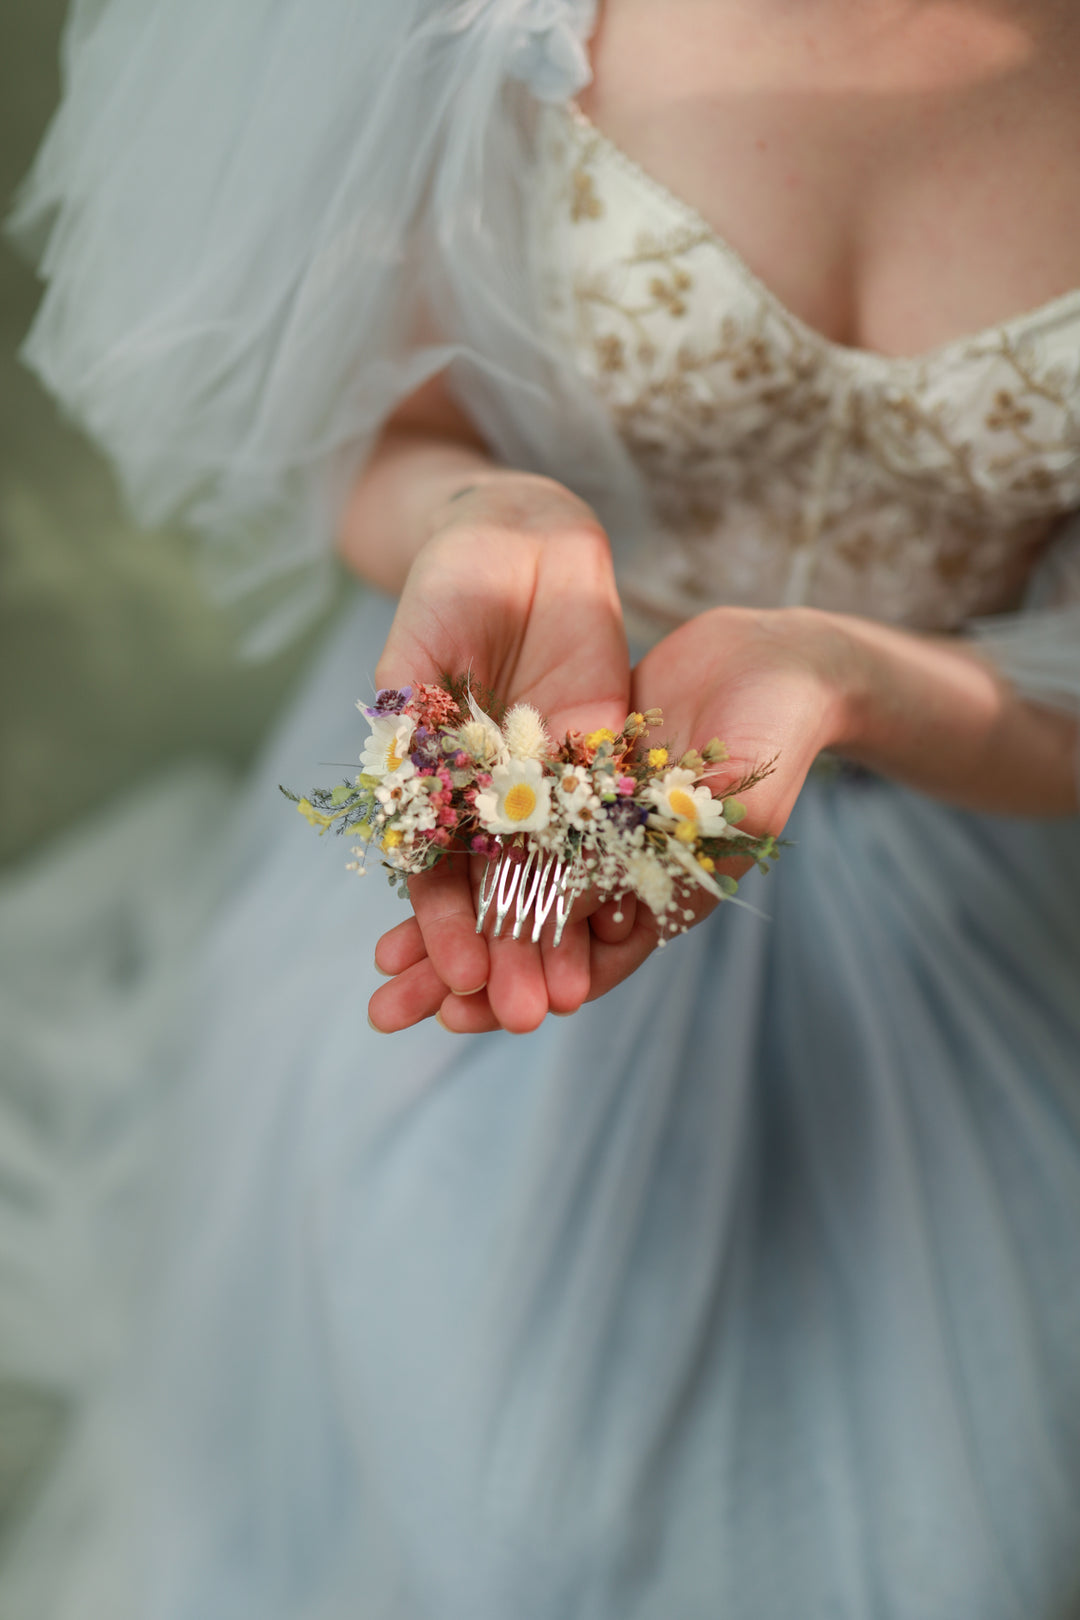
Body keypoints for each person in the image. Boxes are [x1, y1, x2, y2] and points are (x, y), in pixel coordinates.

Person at [4, 0, 1080, 1615]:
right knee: (487, 1482)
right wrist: (486, 514)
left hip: (963, 836)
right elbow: (366, 428)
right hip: (525, 788)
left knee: (974, 1532)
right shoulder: (493, 20)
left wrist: (847, 679)